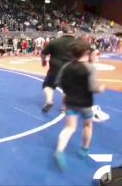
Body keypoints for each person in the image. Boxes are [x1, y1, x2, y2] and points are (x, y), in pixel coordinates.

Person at [54, 39, 105, 171]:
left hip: (70, 102)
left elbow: (59, 82)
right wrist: (101, 89)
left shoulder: (66, 67)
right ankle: (84, 149)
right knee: (88, 125)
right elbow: (93, 88)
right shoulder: (90, 68)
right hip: (85, 103)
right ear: (87, 52)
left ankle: (59, 150)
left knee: (69, 127)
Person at [41, 25, 76, 112]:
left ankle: (49, 101)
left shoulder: (54, 42)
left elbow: (43, 53)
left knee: (48, 85)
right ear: (74, 32)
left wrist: (44, 61)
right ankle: (64, 107)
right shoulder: (78, 43)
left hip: (55, 69)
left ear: (62, 32)